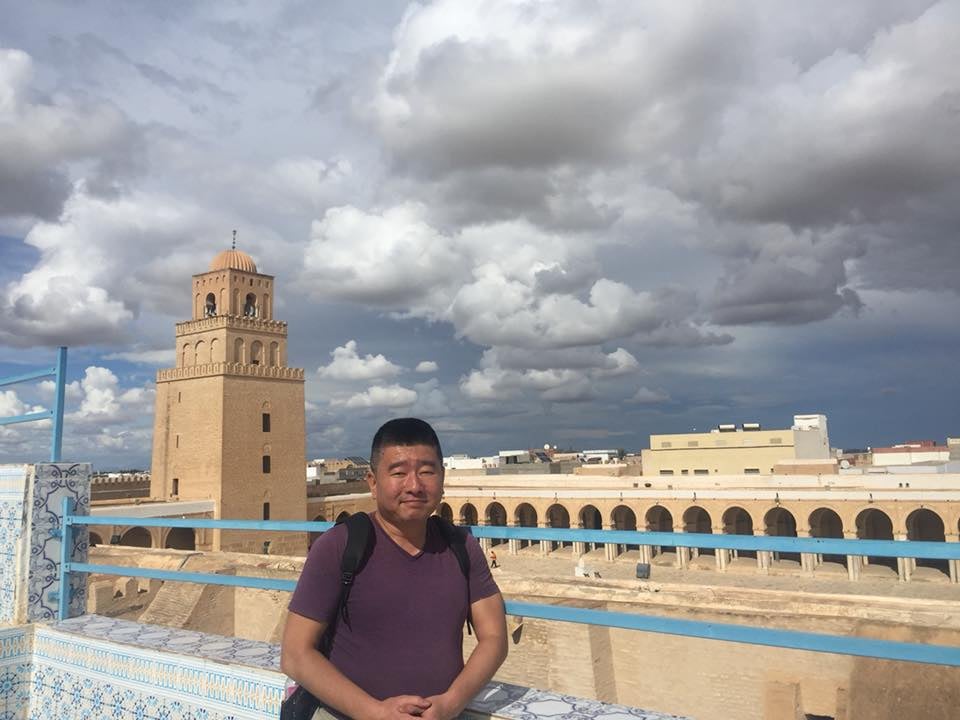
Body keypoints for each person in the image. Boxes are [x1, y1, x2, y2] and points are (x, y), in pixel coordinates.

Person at [281, 418, 508, 720]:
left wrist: (450, 703)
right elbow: (295, 654)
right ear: (373, 483)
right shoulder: (338, 547)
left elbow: (494, 637)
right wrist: (375, 713)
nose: (414, 486)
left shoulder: (461, 546)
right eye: (399, 473)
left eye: (426, 471)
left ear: (442, 477)